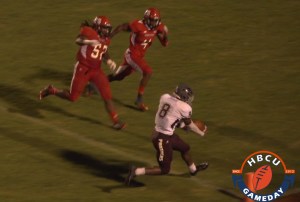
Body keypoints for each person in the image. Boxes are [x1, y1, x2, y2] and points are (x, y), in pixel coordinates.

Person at [39, 16, 125, 130]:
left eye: (107, 28)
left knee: (107, 96)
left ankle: (116, 122)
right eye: (104, 28)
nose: (107, 31)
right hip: (83, 68)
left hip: (96, 70)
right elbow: (78, 40)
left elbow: (102, 49)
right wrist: (89, 42)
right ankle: (52, 90)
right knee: (72, 97)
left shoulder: (106, 38)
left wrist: (108, 60)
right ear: (98, 27)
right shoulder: (90, 32)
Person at [125, 84, 209, 185]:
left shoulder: (164, 97)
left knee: (185, 148)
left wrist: (182, 126)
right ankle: (136, 171)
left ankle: (193, 170)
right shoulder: (184, 107)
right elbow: (189, 124)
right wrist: (200, 132)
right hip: (162, 138)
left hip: (164, 133)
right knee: (164, 169)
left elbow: (171, 117)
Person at [107, 8, 169, 111]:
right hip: (132, 55)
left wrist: (165, 34)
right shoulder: (138, 25)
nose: (154, 22)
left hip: (138, 57)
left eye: (156, 20)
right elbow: (123, 26)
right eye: (152, 20)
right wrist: (109, 36)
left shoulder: (158, 27)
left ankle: (94, 83)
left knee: (118, 77)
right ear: (146, 19)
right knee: (148, 72)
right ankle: (139, 99)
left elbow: (164, 44)